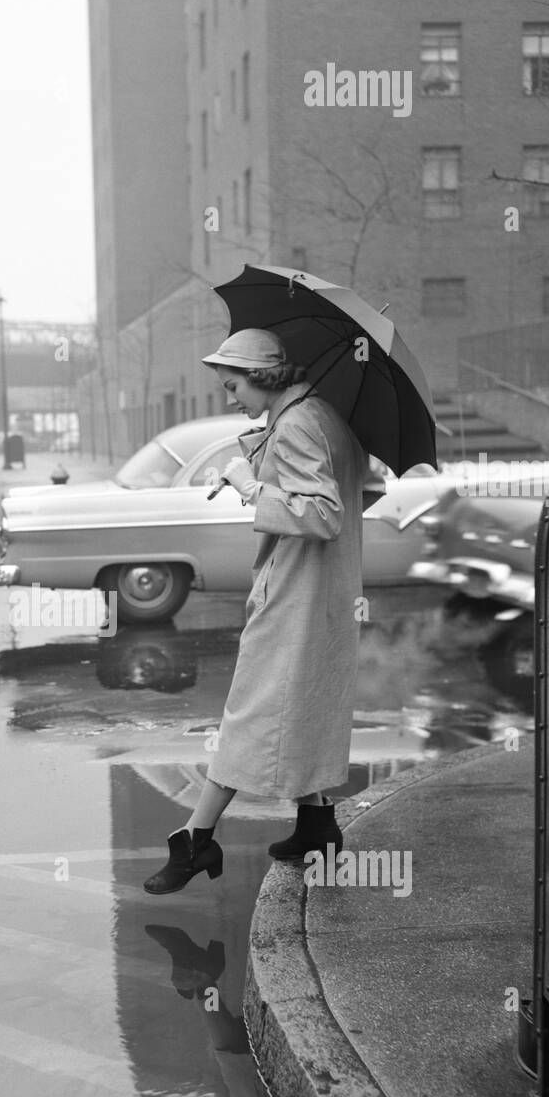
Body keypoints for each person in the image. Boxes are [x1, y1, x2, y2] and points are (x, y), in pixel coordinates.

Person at [144, 327, 383, 895]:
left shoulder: (299, 422)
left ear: (264, 376)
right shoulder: (322, 416)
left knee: (252, 711)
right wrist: (257, 464)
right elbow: (360, 491)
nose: (230, 397)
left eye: (234, 385)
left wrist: (254, 487)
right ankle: (317, 825)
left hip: (296, 591)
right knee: (300, 703)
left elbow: (323, 514)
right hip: (326, 588)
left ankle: (196, 838)